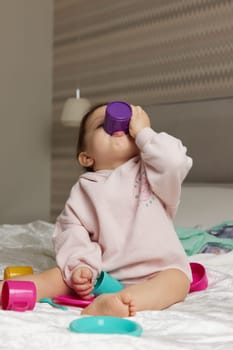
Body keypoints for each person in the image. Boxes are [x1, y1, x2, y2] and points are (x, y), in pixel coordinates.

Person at [0, 103, 193, 317]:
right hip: (103, 274)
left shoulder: (154, 172)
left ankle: (120, 302)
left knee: (178, 281)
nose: (118, 126)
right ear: (86, 157)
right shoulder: (84, 189)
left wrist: (144, 133)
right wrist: (81, 267)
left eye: (128, 125)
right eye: (102, 124)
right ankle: (13, 289)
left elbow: (174, 161)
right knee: (60, 276)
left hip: (157, 270)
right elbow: (72, 231)